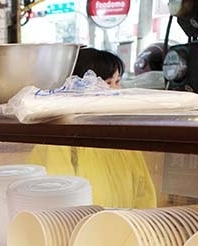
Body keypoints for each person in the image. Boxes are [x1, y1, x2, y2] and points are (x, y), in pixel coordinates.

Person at [28, 47, 157, 209]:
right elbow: (57, 203)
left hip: (122, 228)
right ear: (78, 87)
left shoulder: (122, 136)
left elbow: (143, 194)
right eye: (108, 83)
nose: (116, 90)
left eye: (117, 82)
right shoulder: (61, 139)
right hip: (76, 229)